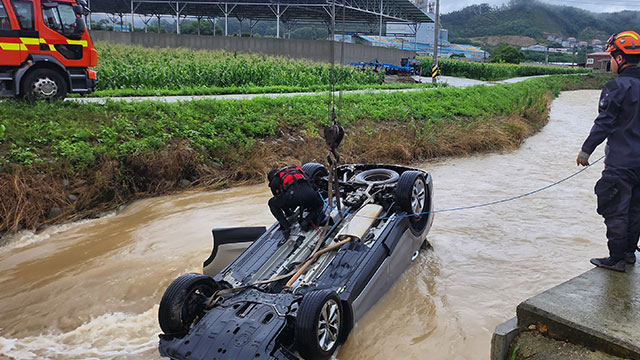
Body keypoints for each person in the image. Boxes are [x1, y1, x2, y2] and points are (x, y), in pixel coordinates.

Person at [577, 30, 640, 272]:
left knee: (616, 209)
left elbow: (604, 122)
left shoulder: (616, 87)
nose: (611, 62)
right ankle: (628, 253)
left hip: (621, 163)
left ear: (621, 59)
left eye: (612, 57)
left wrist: (585, 151)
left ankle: (616, 259)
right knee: (636, 208)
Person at [268, 165, 325, 239]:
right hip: (309, 194)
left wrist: (288, 213)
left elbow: (278, 198)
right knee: (320, 205)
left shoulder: (275, 180)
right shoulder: (297, 170)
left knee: (272, 203)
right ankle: (307, 221)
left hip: (292, 197)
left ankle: (286, 227)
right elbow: (313, 184)